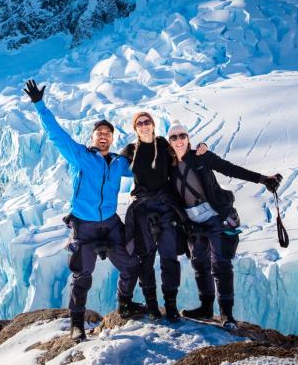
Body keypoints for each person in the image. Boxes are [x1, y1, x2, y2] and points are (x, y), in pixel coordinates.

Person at [23, 79, 139, 341]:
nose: (103, 135)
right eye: (99, 132)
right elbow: (56, 135)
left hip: (110, 224)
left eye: (107, 133)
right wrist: (39, 104)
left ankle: (124, 305)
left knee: (132, 265)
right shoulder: (80, 156)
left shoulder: (119, 163)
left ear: (112, 138)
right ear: (93, 137)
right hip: (84, 226)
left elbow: (143, 171)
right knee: (82, 275)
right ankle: (77, 324)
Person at [167, 119, 282, 331]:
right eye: (174, 137)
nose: (179, 140)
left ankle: (227, 315)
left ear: (188, 139)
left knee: (221, 264)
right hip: (192, 222)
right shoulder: (169, 165)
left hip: (215, 217)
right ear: (169, 142)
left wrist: (263, 179)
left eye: (182, 136)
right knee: (199, 263)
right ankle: (206, 307)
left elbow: (229, 169)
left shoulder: (201, 156)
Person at [120, 113, 207, 323]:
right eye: (139, 123)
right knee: (146, 258)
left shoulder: (162, 144)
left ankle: (171, 306)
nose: (144, 125)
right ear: (135, 128)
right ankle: (152, 306)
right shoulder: (131, 150)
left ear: (153, 124)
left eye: (147, 122)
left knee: (169, 257)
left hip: (166, 207)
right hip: (142, 208)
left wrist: (201, 149)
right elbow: (111, 166)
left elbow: (182, 153)